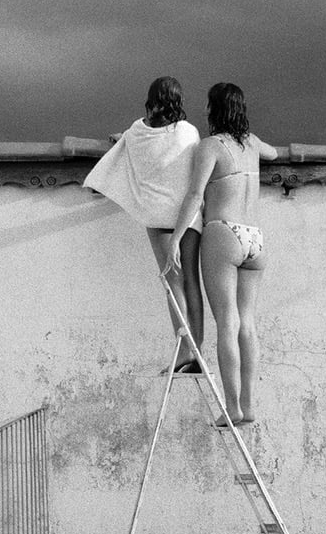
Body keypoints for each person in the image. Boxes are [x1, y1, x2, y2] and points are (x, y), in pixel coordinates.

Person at [165, 83, 278, 428]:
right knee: (248, 323)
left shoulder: (210, 147)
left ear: (214, 111)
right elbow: (273, 153)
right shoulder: (254, 144)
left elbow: (194, 196)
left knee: (226, 323)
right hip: (255, 239)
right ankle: (249, 403)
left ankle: (232, 408)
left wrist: (177, 238)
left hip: (223, 233)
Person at [83, 77, 204, 372]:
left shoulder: (136, 132)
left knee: (172, 285)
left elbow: (123, 153)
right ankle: (196, 351)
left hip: (159, 218)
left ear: (151, 99)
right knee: (191, 282)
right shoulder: (189, 132)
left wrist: (119, 138)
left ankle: (183, 352)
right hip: (189, 217)